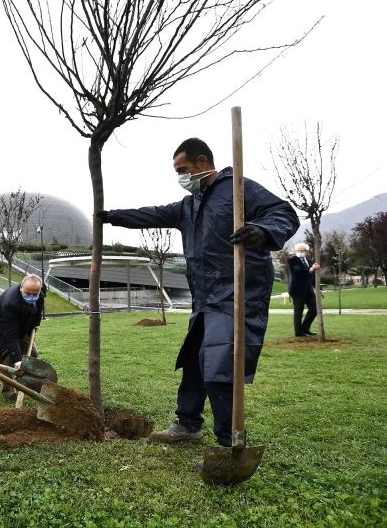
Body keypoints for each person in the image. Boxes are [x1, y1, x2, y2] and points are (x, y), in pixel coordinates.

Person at [97, 137, 299, 448]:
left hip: (237, 294)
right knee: (194, 360)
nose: (180, 177)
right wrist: (112, 216)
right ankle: (188, 424)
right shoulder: (188, 206)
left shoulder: (238, 189)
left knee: (218, 364)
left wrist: (262, 231)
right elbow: (151, 214)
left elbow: (283, 213)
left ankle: (229, 441)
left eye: (184, 169)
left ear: (203, 162)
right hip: (205, 297)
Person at [0, 274, 44, 403]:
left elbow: (38, 310)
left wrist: (36, 324)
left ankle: (33, 384)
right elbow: (10, 335)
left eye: (35, 294)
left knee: (32, 354)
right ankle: (8, 391)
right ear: (21, 288)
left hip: (23, 326)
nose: (32, 297)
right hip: (1, 330)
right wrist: (17, 361)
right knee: (6, 361)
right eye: (28, 293)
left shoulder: (39, 295)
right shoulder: (11, 303)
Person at [288, 242, 320, 337]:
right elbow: (298, 271)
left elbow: (311, 276)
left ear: (306, 251)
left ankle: (305, 328)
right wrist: (311, 269)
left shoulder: (309, 261)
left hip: (308, 290)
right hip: (297, 291)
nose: (300, 252)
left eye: (302, 251)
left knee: (314, 309)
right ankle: (298, 332)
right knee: (298, 312)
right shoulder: (292, 260)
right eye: (298, 251)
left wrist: (318, 287)